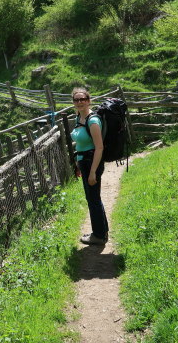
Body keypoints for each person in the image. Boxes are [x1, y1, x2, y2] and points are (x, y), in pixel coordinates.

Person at [71, 87, 108, 245]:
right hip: (83, 162)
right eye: (76, 100)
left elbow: (99, 147)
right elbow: (80, 143)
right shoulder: (79, 117)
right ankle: (102, 231)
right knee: (93, 198)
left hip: (91, 162)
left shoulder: (92, 120)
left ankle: (98, 235)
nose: (80, 102)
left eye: (82, 99)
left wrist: (93, 172)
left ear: (88, 100)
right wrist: (78, 164)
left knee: (93, 199)